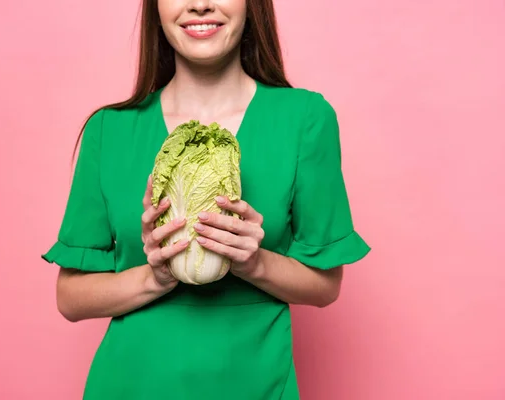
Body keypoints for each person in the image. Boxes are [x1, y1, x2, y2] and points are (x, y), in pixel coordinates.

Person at [41, 0, 371, 398]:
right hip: (130, 383)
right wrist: (156, 276)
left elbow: (325, 286)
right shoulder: (108, 130)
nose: (199, 5)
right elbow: (70, 298)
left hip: (254, 384)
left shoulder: (305, 119)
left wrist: (254, 262)